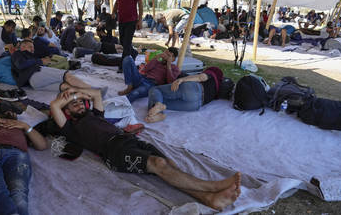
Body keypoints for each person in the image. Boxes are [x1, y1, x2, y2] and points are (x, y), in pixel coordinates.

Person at [49, 88, 241, 211]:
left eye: (80, 101)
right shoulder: (69, 127)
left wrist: (75, 92)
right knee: (158, 164)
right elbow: (54, 105)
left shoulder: (95, 114)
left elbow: (96, 94)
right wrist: (70, 96)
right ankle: (213, 186)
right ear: (67, 112)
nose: (78, 103)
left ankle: (209, 199)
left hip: (128, 139)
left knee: (170, 166)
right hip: (113, 151)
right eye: (73, 104)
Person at [145, 67, 223, 123]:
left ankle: (157, 106)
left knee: (155, 90)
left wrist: (182, 79)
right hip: (196, 105)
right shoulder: (216, 89)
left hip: (194, 89)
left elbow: (201, 77)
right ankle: (158, 114)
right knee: (161, 100)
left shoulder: (212, 73)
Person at [11, 40, 91, 91]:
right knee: (67, 75)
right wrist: (40, 61)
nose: (33, 49)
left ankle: (88, 93)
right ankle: (94, 90)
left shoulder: (31, 56)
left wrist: (44, 61)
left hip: (33, 84)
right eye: (30, 47)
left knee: (65, 86)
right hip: (34, 75)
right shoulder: (18, 54)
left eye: (33, 47)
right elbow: (21, 65)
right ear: (22, 47)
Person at [112, 0, 143, 72]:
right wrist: (113, 12)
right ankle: (133, 53)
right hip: (121, 20)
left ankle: (123, 66)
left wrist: (139, 20)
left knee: (127, 43)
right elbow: (117, 1)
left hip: (132, 19)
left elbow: (140, 3)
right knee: (123, 42)